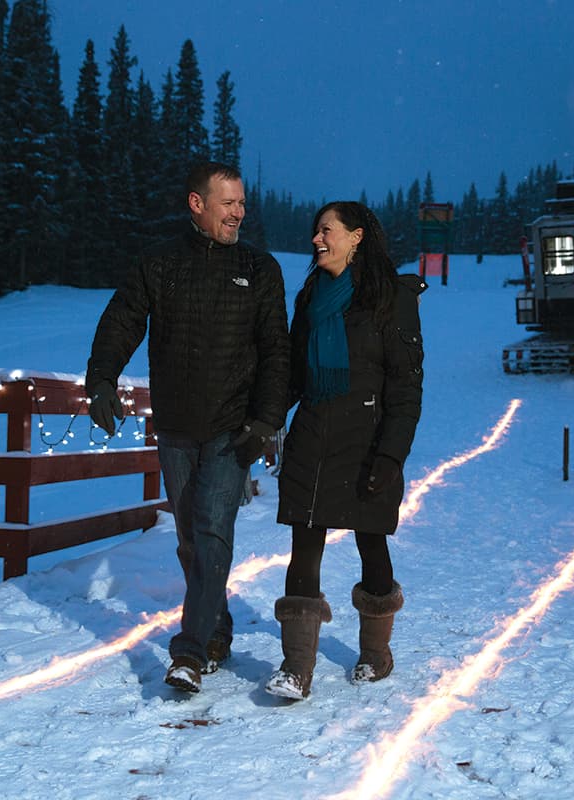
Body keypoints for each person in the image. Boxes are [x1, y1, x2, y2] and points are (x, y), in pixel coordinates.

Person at [85, 162, 289, 693]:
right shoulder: (160, 263)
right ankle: (216, 627)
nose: (239, 212)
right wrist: (102, 379)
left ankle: (190, 651)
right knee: (189, 537)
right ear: (197, 204)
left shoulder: (260, 268)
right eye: (228, 203)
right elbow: (123, 318)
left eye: (242, 203)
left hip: (232, 426)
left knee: (214, 530)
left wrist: (266, 420)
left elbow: (276, 351)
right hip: (175, 425)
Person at [266, 201, 425, 700]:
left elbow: (406, 387)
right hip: (314, 431)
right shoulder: (312, 295)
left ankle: (377, 652)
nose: (317, 239)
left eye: (326, 230)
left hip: (369, 439)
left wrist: (390, 457)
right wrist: (262, 419)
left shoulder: (391, 298)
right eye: (316, 231)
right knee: (304, 545)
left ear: (356, 237)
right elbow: (293, 372)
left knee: (370, 544)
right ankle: (297, 668)